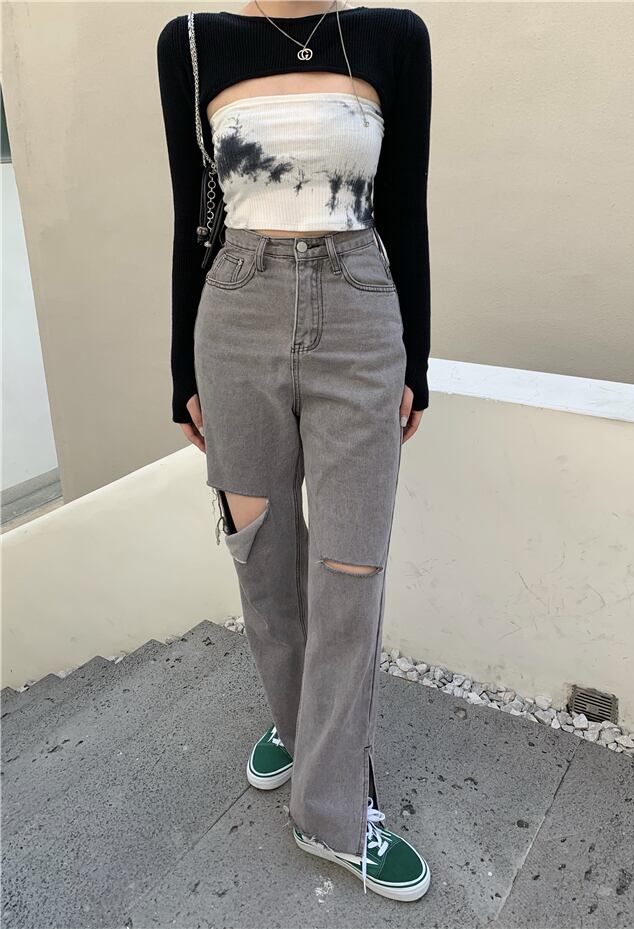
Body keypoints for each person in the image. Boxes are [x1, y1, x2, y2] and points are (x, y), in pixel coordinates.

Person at [156, 0, 432, 901]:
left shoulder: (393, 36)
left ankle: (332, 810)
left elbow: (406, 206)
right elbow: (189, 213)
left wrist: (416, 362)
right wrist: (181, 370)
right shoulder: (193, 42)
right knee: (263, 552)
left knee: (352, 565)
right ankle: (301, 721)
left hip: (359, 305)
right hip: (236, 308)